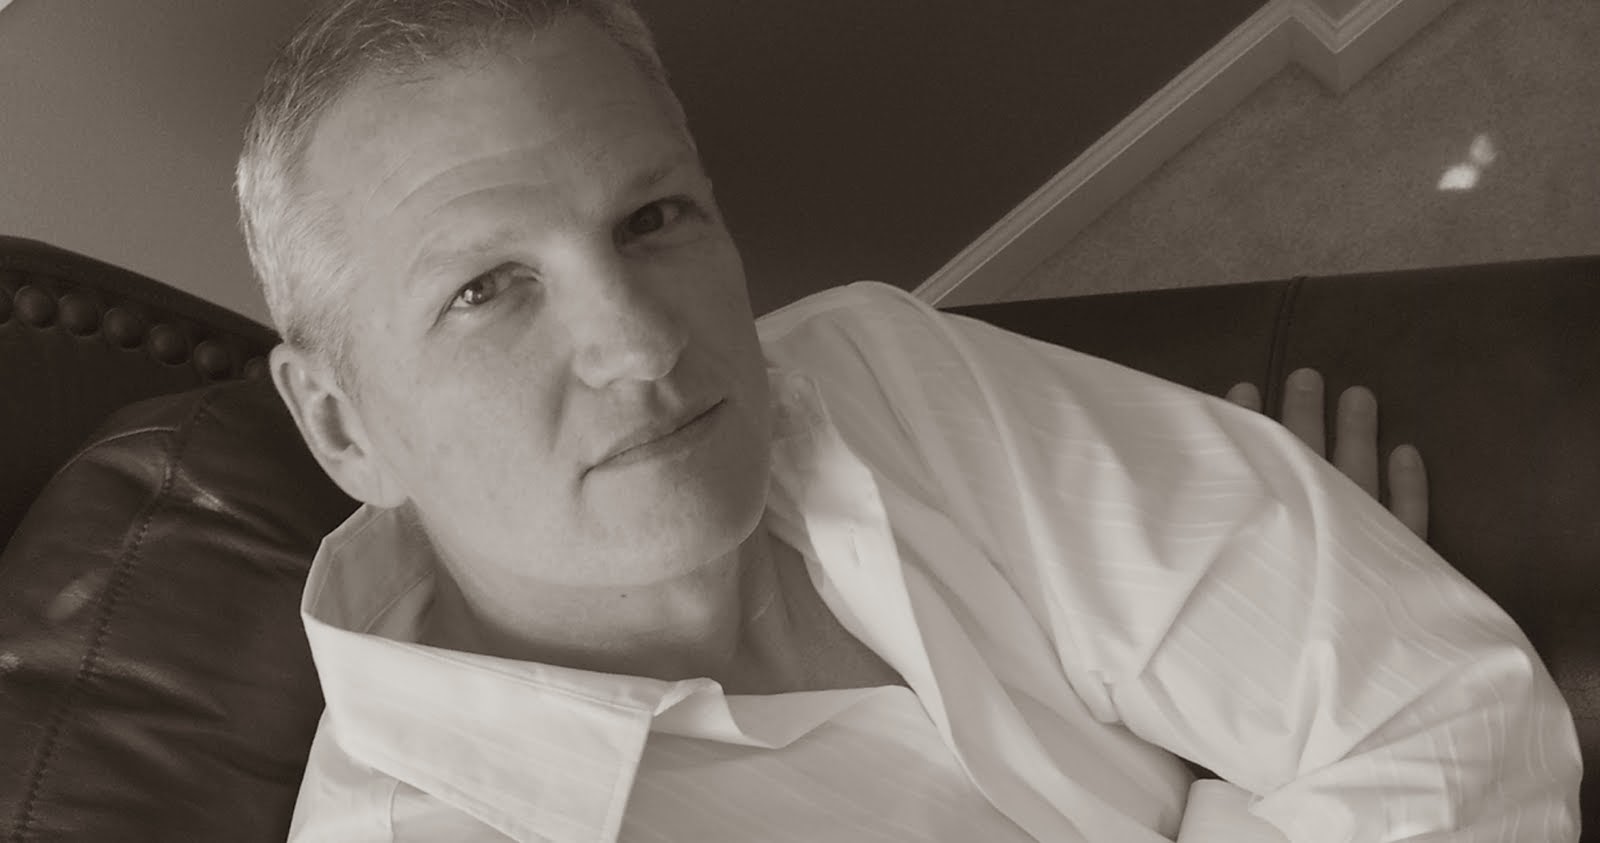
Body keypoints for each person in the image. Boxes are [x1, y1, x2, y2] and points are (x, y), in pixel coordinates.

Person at [235, 1, 1582, 840]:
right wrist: (1236, 789)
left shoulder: (873, 377)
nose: (639, 341)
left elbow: (1450, 714)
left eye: (652, 218)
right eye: (484, 290)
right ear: (343, 425)